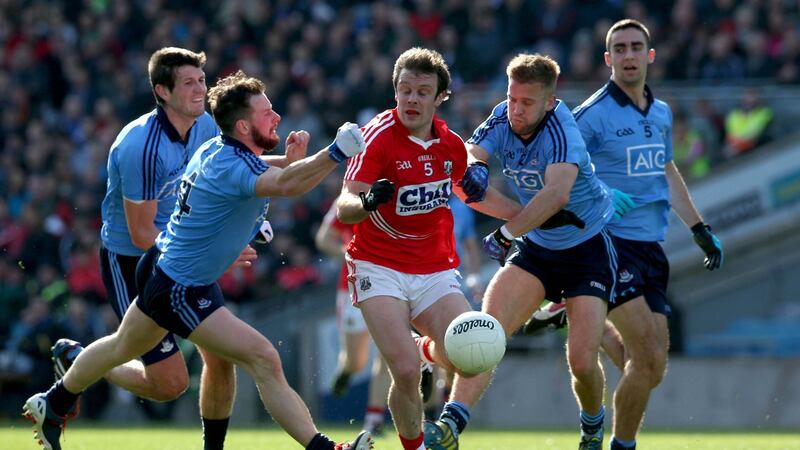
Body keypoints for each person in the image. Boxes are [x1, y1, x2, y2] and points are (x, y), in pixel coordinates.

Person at [23, 70, 373, 450]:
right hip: (179, 287)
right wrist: (335, 153)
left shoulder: (219, 149)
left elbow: (268, 177)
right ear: (242, 125)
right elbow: (287, 184)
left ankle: (55, 399)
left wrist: (285, 172)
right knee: (263, 358)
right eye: (267, 112)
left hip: (168, 270)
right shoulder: (232, 165)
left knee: (125, 347)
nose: (276, 118)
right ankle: (325, 449)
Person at [51, 47, 243, 450]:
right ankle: (82, 361)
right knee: (169, 384)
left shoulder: (207, 126)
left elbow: (228, 180)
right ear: (162, 91)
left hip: (185, 259)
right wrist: (216, 246)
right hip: (134, 263)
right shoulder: (139, 145)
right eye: (188, 83)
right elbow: (141, 235)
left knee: (221, 358)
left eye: (202, 81)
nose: (200, 90)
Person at [425, 53, 619, 450]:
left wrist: (507, 232)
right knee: (486, 332)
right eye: (513, 99)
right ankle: (450, 426)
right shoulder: (502, 115)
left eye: (527, 102)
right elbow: (467, 157)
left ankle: (593, 425)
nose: (516, 109)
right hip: (539, 248)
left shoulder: (563, 132)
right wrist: (475, 167)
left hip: (587, 250)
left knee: (582, 361)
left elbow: (556, 195)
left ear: (549, 102)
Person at [335, 47, 506, 450]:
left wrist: (531, 215)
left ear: (439, 97)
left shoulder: (450, 145)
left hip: (434, 268)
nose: (411, 99)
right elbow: (345, 205)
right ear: (395, 91)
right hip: (377, 266)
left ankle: (427, 348)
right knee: (407, 373)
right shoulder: (376, 136)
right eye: (405, 90)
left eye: (422, 92)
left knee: (478, 353)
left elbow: (477, 197)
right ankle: (417, 446)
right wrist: (367, 202)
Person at [568, 19, 723, 450]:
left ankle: (589, 320)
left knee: (652, 365)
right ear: (608, 59)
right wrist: (600, 193)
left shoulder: (661, 111)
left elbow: (667, 170)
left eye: (637, 47)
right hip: (610, 245)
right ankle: (616, 443)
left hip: (652, 247)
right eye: (620, 48)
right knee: (649, 356)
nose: (629, 55)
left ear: (650, 55)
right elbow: (562, 171)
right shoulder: (592, 114)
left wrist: (699, 227)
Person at [315, 199, 391, 436]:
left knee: (389, 352)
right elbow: (324, 238)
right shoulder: (348, 199)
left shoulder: (403, 191)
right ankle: (346, 371)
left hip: (392, 283)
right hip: (353, 285)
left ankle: (374, 419)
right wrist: (348, 253)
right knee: (356, 361)